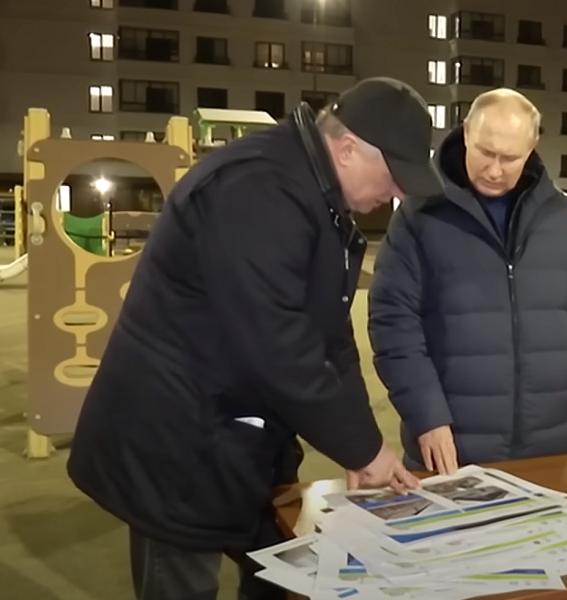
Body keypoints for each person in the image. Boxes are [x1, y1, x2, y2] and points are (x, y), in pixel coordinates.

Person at [67, 77, 443, 600]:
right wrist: (363, 448)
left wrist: (363, 446)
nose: (398, 193)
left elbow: (331, 340)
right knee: (184, 582)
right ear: (348, 147)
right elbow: (278, 345)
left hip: (238, 433)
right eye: (394, 175)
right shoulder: (257, 188)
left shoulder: (315, 194)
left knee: (280, 567)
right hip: (174, 440)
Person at [368, 88, 567, 475]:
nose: (495, 170)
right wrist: (426, 415)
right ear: (466, 134)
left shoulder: (557, 214)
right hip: (451, 446)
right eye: (485, 152)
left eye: (509, 158)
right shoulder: (421, 214)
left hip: (549, 439)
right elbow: (393, 321)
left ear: (532, 148)